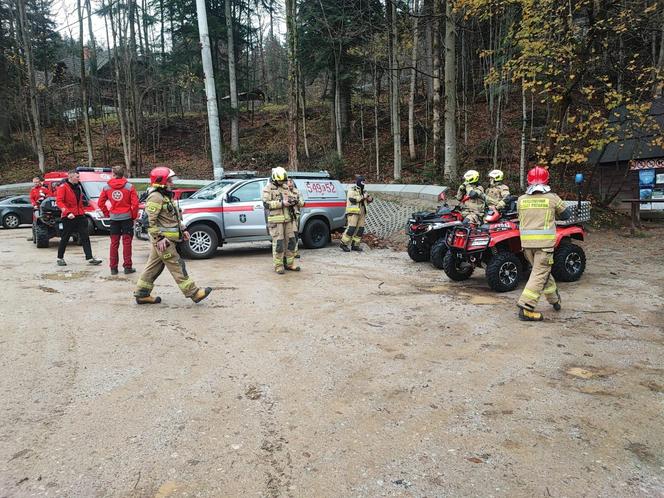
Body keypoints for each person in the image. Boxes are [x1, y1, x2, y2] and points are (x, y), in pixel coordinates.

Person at [134, 167, 212, 304]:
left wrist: (183, 229)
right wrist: (159, 239)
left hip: (166, 240)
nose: (172, 183)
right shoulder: (155, 197)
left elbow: (172, 218)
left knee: (153, 267)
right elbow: (148, 222)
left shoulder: (164, 196)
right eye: (169, 180)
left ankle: (142, 294)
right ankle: (194, 293)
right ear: (161, 181)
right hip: (164, 242)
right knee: (177, 265)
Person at [516, 166, 572, 321]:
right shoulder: (552, 198)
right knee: (539, 274)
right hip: (544, 246)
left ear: (528, 181)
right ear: (547, 180)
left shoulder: (521, 200)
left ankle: (554, 300)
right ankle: (526, 307)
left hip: (527, 246)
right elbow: (567, 215)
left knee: (542, 272)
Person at [55, 170, 102, 266]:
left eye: (78, 176)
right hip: (68, 216)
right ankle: (60, 258)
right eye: (77, 177)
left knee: (85, 236)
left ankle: (89, 257)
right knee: (65, 237)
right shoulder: (63, 187)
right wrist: (67, 212)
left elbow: (80, 201)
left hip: (80, 215)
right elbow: (59, 202)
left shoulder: (79, 187)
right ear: (70, 177)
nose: (78, 178)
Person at [98, 166, 139, 275]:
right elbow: (135, 204)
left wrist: (107, 214)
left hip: (114, 219)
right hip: (127, 218)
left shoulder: (107, 187)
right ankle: (127, 267)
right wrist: (133, 216)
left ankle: (113, 268)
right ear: (123, 174)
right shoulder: (130, 187)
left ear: (113, 174)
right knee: (127, 243)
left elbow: (100, 203)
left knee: (114, 243)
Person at [262, 167, 300, 274]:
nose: (281, 182)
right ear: (274, 178)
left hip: (288, 220)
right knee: (279, 244)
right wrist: (281, 203)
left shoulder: (285, 187)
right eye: (280, 180)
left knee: (291, 242)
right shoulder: (268, 188)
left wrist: (293, 200)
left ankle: (290, 263)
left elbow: (293, 197)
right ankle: (278, 266)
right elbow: (266, 204)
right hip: (276, 222)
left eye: (283, 180)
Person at [340, 175, 373, 252]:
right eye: (362, 182)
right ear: (358, 182)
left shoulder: (364, 191)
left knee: (360, 229)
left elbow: (366, 200)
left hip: (362, 212)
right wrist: (363, 197)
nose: (364, 183)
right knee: (351, 229)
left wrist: (370, 199)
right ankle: (343, 244)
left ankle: (355, 245)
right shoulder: (352, 190)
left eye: (364, 182)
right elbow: (353, 199)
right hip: (353, 212)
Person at [287, 178, 305, 259]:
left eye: (291, 185)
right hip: (286, 216)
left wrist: (296, 201)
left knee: (295, 234)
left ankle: (295, 252)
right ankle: (287, 252)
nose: (290, 187)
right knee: (286, 234)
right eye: (288, 185)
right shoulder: (283, 191)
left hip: (295, 216)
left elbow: (302, 203)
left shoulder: (297, 192)